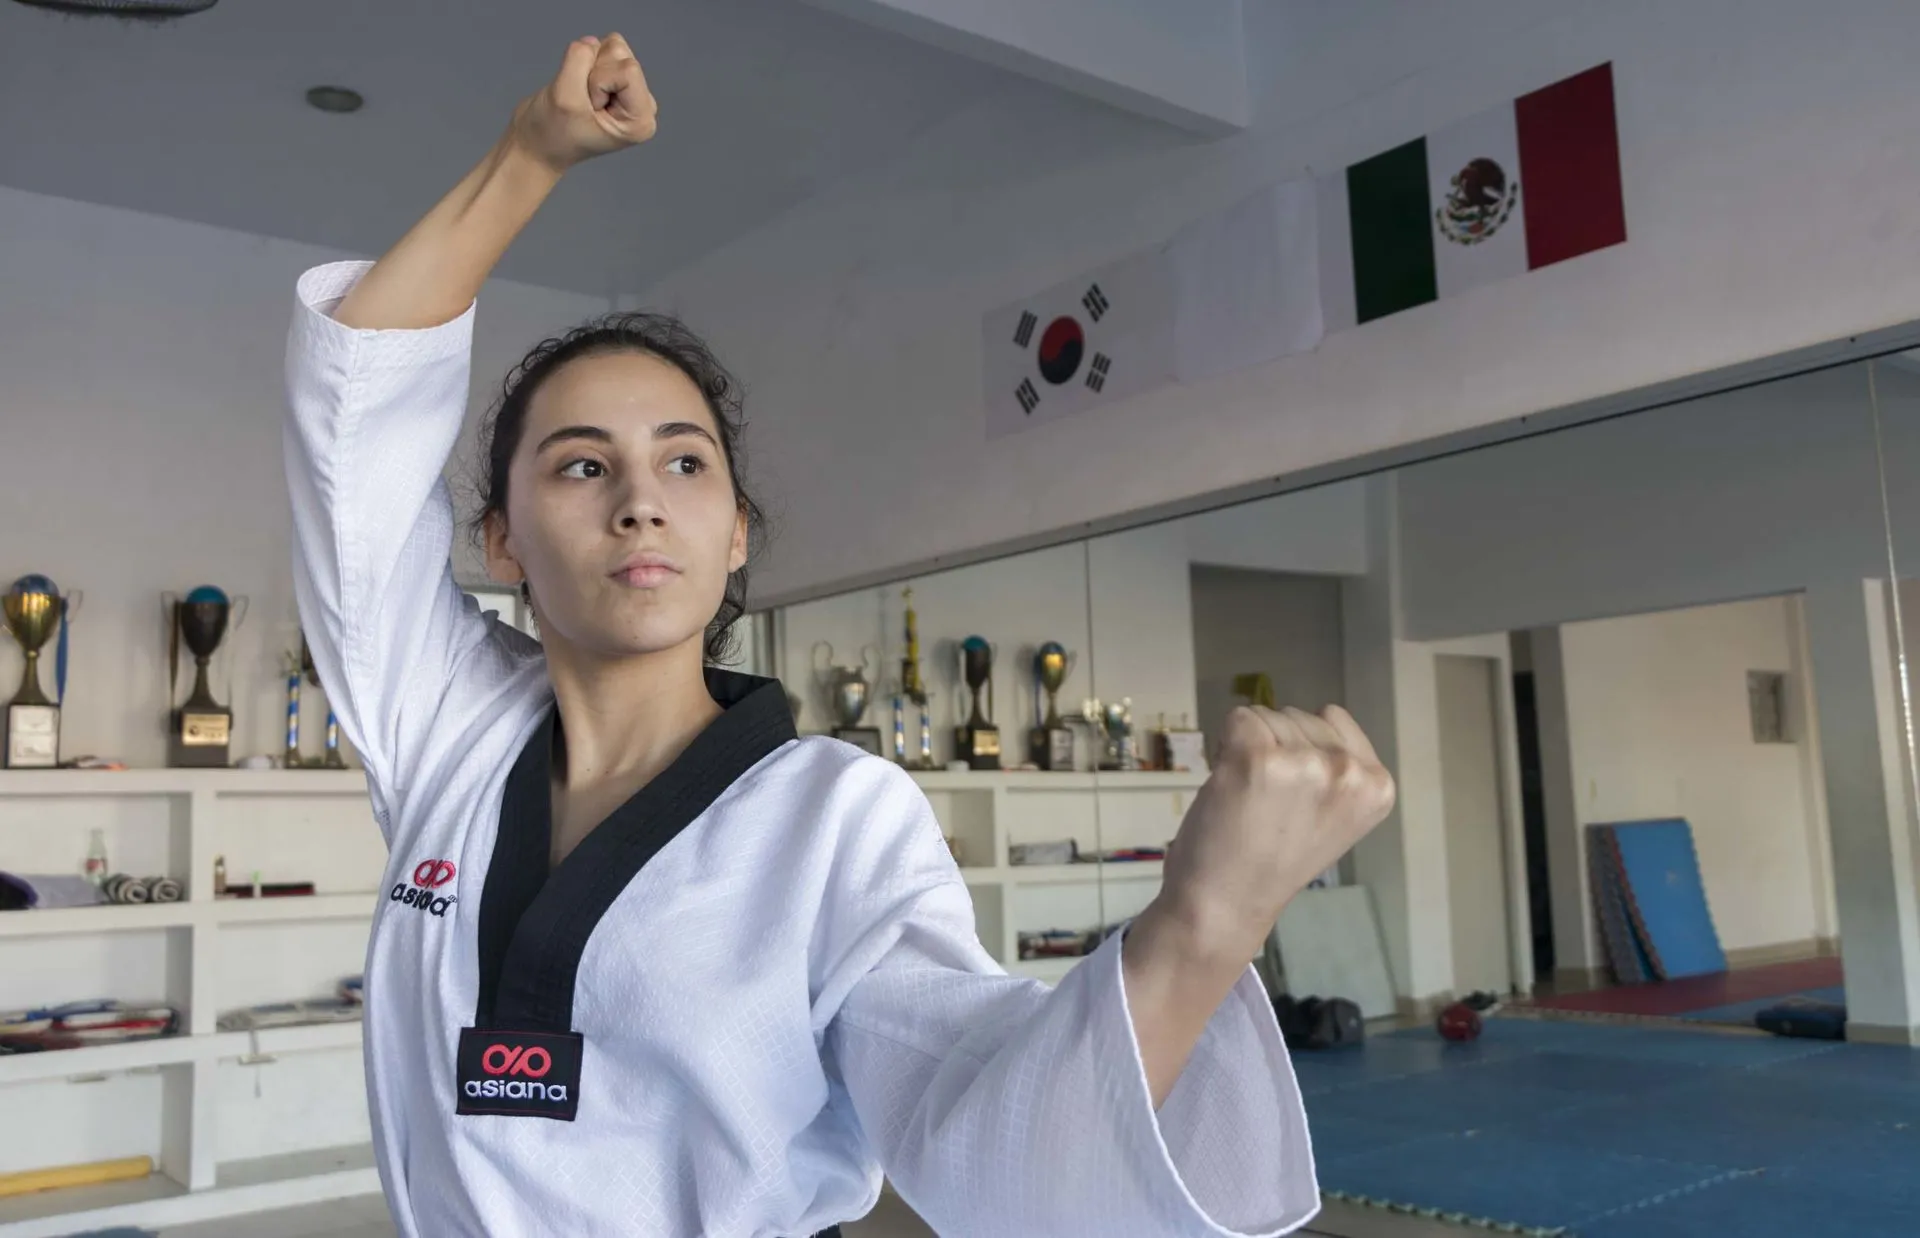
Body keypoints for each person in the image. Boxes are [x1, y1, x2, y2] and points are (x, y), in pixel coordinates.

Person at [283, 32, 1395, 1238]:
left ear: (737, 533)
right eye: (581, 464)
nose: (638, 499)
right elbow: (355, 423)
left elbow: (993, 1145)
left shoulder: (833, 816)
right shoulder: (446, 731)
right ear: (501, 541)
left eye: (684, 461)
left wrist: (1207, 920)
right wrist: (530, 154)